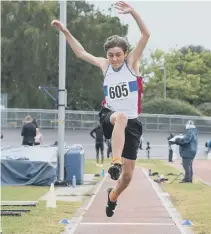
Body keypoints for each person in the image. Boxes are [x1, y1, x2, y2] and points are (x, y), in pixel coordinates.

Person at [51, 1, 150, 217]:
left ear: (125, 54)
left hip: (132, 124)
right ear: (107, 55)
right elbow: (81, 53)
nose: (114, 59)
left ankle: (112, 196)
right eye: (111, 55)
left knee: (127, 177)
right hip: (110, 116)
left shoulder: (132, 63)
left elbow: (146, 34)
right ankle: (114, 162)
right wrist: (66, 32)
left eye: (118, 54)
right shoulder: (105, 66)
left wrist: (133, 12)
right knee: (121, 117)